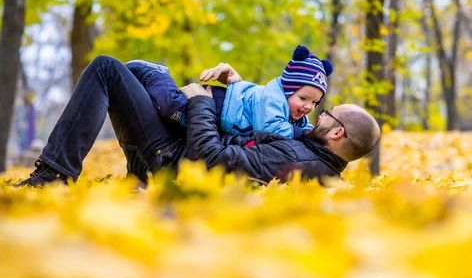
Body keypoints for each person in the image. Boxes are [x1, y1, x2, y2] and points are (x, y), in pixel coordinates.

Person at [14, 55, 380, 187]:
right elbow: (244, 139)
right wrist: (235, 88)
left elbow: (211, 160)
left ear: (337, 132)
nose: (316, 114)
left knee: (107, 69)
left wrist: (202, 102)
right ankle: (130, 178)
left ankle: (53, 176)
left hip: (172, 162)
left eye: (326, 113)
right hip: (175, 155)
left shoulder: (299, 158)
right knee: (135, 73)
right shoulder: (311, 154)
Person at [125, 45, 333, 140]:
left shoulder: (293, 113)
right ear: (288, 90)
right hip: (220, 105)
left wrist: (312, 131)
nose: (308, 107)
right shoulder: (274, 100)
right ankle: (155, 75)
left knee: (174, 121)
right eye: (303, 98)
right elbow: (269, 128)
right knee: (173, 107)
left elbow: (306, 127)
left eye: (314, 103)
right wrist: (304, 135)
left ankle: (139, 92)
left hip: (225, 115)